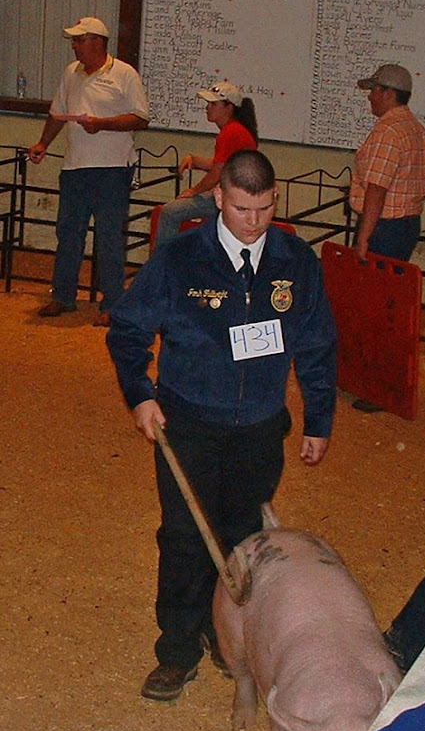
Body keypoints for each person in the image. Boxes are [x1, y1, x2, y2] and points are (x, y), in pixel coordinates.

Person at [106, 149, 337, 702]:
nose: (253, 222)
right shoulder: (181, 257)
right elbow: (127, 329)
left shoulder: (295, 260)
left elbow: (317, 343)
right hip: (187, 424)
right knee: (185, 538)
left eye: (263, 209)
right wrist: (140, 394)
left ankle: (223, 634)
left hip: (259, 428)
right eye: (241, 209)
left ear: (274, 199)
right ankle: (177, 651)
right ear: (219, 198)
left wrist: (319, 418)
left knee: (242, 539)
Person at [29, 16, 150, 327]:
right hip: (74, 166)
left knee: (109, 237)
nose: (75, 45)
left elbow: (140, 117)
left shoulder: (124, 74)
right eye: (74, 40)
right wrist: (43, 143)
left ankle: (112, 303)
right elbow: (57, 113)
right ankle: (63, 296)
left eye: (80, 40)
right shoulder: (71, 73)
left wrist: (103, 124)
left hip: (111, 168)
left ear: (98, 41)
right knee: (68, 233)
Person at [349, 63, 425, 413]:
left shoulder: (388, 132)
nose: (370, 96)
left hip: (384, 226)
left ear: (388, 93)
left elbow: (376, 189)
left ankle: (378, 387)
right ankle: (388, 380)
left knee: (376, 308)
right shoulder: (415, 129)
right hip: (406, 223)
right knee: (391, 305)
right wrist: (409, 190)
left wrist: (364, 237)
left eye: (373, 90)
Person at [153, 80, 258, 248]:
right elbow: (222, 165)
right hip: (236, 195)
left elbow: (216, 174)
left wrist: (193, 191)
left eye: (213, 104)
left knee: (170, 212)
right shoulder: (237, 130)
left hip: (231, 197)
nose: (207, 107)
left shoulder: (230, 132)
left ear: (228, 107)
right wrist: (195, 160)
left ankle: (161, 264)